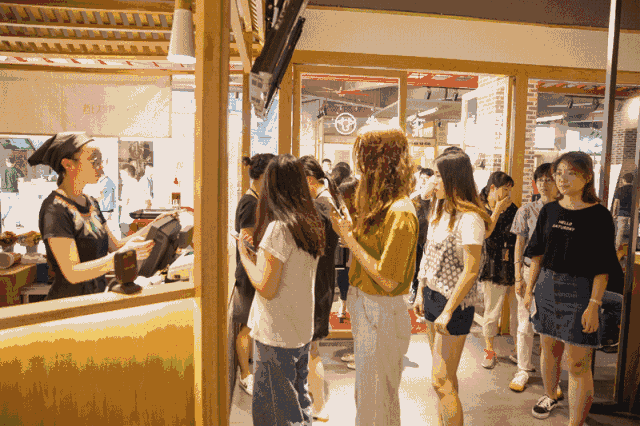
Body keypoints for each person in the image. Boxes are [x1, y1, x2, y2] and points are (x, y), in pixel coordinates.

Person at [523, 151, 623, 425]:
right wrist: (529, 290)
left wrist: (594, 304)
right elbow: (537, 254)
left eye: (570, 173)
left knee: (578, 360)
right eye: (558, 173)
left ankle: (575, 422)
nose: (562, 179)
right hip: (546, 285)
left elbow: (603, 266)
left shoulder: (599, 215)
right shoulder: (549, 210)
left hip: (581, 290)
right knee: (548, 348)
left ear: (587, 177)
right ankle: (550, 395)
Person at [329, 125, 417, 425]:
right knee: (369, 394)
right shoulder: (383, 205)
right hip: (367, 303)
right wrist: (350, 232)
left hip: (381, 308)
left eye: (365, 160)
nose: (361, 169)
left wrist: (349, 238)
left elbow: (388, 279)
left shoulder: (400, 211)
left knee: (378, 398)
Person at [26, 132, 172, 300]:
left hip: (94, 299)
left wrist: (156, 224)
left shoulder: (91, 203)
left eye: (100, 161)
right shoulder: (55, 208)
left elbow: (116, 246)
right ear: (68, 164)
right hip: (69, 304)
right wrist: (118, 257)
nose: (101, 167)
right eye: (94, 161)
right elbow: (72, 272)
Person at [238, 154, 325, 426]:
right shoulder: (309, 223)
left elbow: (266, 288)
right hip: (299, 329)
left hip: (276, 333)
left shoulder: (279, 228)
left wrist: (244, 256)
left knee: (277, 414)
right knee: (299, 403)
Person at [413, 150, 491, 426]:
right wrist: (421, 290)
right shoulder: (440, 210)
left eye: (437, 175)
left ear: (453, 178)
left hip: (455, 304)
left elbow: (471, 271)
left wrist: (448, 310)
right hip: (433, 296)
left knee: (440, 379)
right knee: (446, 377)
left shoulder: (470, 218)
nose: (433, 181)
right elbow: (427, 254)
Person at [509, 163, 561, 394]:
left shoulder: (565, 210)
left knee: (552, 327)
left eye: (548, 179)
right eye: (540, 179)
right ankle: (522, 369)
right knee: (525, 323)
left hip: (555, 274)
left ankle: (552, 376)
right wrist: (517, 275)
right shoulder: (526, 210)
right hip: (529, 270)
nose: (544, 184)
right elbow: (519, 244)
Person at [299, 155, 342, 421]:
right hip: (322, 280)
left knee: (312, 348)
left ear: (310, 180)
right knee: (311, 347)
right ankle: (315, 402)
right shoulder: (328, 200)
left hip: (316, 283)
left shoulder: (321, 205)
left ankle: (318, 407)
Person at [232, 153, 275, 397]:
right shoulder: (249, 202)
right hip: (250, 270)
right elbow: (248, 242)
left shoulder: (257, 199)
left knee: (251, 324)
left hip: (254, 268)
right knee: (247, 327)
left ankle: (249, 370)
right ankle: (245, 376)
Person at [478, 171, 519, 369]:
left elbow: (517, 235)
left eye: (510, 190)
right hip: (492, 264)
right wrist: (497, 211)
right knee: (492, 311)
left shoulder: (513, 209)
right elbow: (486, 234)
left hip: (512, 263)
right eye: (505, 189)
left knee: (517, 311)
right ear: (493, 188)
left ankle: (519, 350)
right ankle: (489, 351)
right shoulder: (480, 207)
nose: (508, 194)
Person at [409, 167, 435, 305]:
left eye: (427, 179)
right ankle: (415, 289)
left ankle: (426, 293)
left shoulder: (436, 198)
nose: (424, 181)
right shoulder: (414, 197)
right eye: (422, 178)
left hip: (430, 238)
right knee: (417, 266)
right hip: (417, 237)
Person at [612, 172, 634, 250]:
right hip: (632, 215)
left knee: (619, 234)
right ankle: (631, 251)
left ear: (624, 180)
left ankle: (616, 250)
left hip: (621, 214)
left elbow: (615, 203)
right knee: (633, 234)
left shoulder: (620, 190)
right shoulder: (635, 190)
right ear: (632, 180)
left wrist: (614, 213)